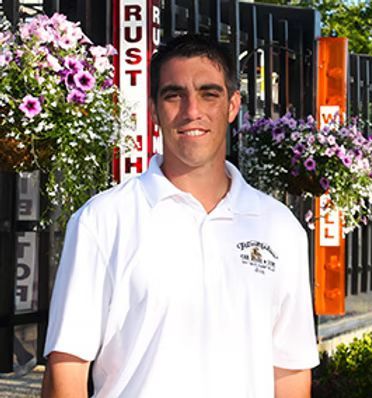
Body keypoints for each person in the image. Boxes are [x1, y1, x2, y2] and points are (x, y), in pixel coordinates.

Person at [42, 34, 319, 398]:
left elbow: (291, 369)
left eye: (209, 93)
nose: (192, 111)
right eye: (174, 95)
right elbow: (67, 366)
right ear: (154, 109)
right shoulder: (103, 220)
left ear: (233, 105)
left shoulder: (279, 228)